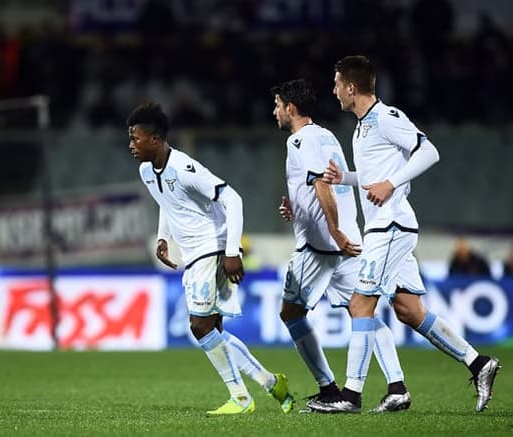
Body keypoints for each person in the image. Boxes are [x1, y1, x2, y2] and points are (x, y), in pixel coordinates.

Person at [309, 55, 500, 413]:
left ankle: (350, 395)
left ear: (351, 87)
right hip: (387, 227)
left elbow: (430, 151)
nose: (333, 91)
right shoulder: (362, 127)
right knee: (409, 310)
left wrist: (393, 183)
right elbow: (373, 177)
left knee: (360, 303)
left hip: (391, 226)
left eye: (336, 84)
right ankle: (478, 364)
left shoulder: (386, 118)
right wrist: (344, 178)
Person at [127, 102, 293, 415]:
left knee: (199, 326)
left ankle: (241, 399)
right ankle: (271, 382)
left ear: (155, 139)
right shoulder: (147, 170)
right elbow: (167, 201)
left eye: (136, 138)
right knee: (212, 329)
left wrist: (233, 251)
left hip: (211, 248)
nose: (131, 144)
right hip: (193, 255)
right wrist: (164, 237)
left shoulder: (185, 168)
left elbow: (233, 198)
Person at [271, 78, 410, 413]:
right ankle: (397, 386)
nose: (273, 111)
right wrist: (299, 209)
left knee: (291, 313)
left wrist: (332, 231)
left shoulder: (300, 141)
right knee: (362, 311)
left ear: (290, 108)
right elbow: (328, 183)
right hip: (349, 242)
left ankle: (329, 388)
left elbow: (323, 185)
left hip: (322, 248)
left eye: (277, 104)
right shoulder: (326, 135)